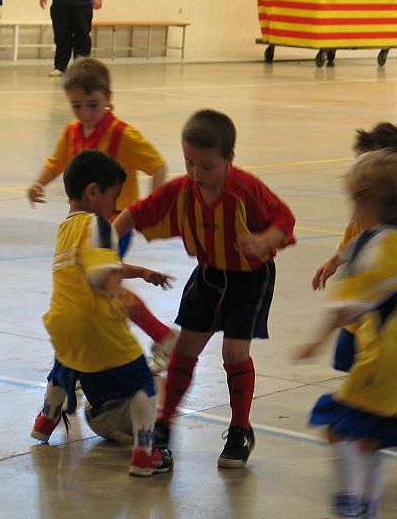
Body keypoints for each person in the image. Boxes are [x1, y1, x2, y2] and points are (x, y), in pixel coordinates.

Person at [114, 109, 297, 468]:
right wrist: (103, 239)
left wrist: (264, 240)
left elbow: (284, 220)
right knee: (184, 349)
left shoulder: (246, 189)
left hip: (250, 279)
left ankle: (241, 429)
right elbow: (138, 212)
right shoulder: (183, 190)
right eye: (189, 162)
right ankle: (166, 421)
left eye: (207, 165)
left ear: (229, 158)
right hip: (209, 276)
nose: (196, 173)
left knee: (233, 353)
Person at [291, 151, 397, 519]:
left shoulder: (373, 245)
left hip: (386, 363)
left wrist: (315, 341)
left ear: (366, 204)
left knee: (337, 428)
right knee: (369, 442)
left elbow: (348, 307)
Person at [30, 150, 174, 477]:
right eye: (114, 197)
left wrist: (140, 272)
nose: (116, 206)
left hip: (62, 323)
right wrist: (115, 293)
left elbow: (92, 264)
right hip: (97, 322)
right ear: (94, 192)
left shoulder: (66, 228)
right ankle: (144, 452)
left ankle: (45, 422)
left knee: (66, 366)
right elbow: (101, 274)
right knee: (143, 383)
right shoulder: (100, 224)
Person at [27, 58, 176, 372]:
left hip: (115, 224)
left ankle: (126, 349)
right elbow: (56, 161)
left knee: (103, 288)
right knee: (101, 290)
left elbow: (157, 165)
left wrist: (149, 209)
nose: (85, 113)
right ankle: (157, 338)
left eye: (93, 104)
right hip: (85, 225)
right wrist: (39, 182)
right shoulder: (72, 134)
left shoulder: (123, 135)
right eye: (77, 106)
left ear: (109, 97)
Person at [312, 122, 397, 372]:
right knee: (353, 367)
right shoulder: (366, 208)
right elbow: (354, 240)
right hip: (360, 318)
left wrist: (317, 340)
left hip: (388, 320)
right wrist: (335, 260)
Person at [39, 0, 105, 78]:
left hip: (83, 2)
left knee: (82, 35)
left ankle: (82, 67)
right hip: (60, 1)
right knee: (61, 35)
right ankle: (60, 66)